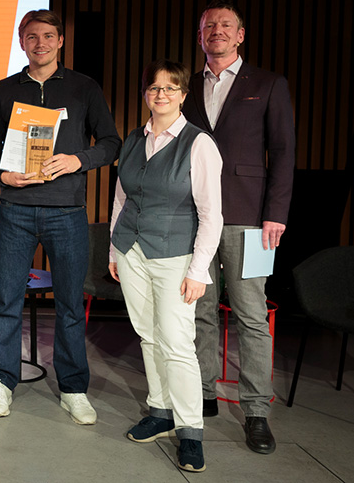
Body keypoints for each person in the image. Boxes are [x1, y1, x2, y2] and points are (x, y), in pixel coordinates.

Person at [0, 9, 121, 422]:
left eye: (47, 36)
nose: (39, 43)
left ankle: (73, 388)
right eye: (31, 36)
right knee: (6, 300)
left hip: (67, 211)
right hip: (16, 211)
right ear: (21, 41)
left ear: (61, 41)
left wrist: (78, 160)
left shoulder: (84, 88)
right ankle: (2, 381)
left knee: (70, 306)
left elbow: (110, 142)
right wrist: (4, 173)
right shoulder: (4, 90)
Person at [184, 0, 295, 454]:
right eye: (209, 26)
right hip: (194, 218)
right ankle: (204, 394)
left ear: (241, 35)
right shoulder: (187, 86)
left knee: (252, 316)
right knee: (200, 310)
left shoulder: (268, 84)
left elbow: (284, 153)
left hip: (252, 219)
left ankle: (255, 412)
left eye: (226, 26)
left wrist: (278, 212)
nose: (217, 32)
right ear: (200, 36)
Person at [108, 59, 223, 472]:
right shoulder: (133, 140)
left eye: (170, 88)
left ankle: (190, 429)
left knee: (177, 344)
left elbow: (213, 215)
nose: (161, 95)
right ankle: (160, 410)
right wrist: (112, 250)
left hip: (176, 256)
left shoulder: (199, 144)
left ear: (183, 95)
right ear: (145, 94)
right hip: (131, 251)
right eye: (154, 88)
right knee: (148, 337)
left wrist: (198, 271)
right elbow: (122, 199)